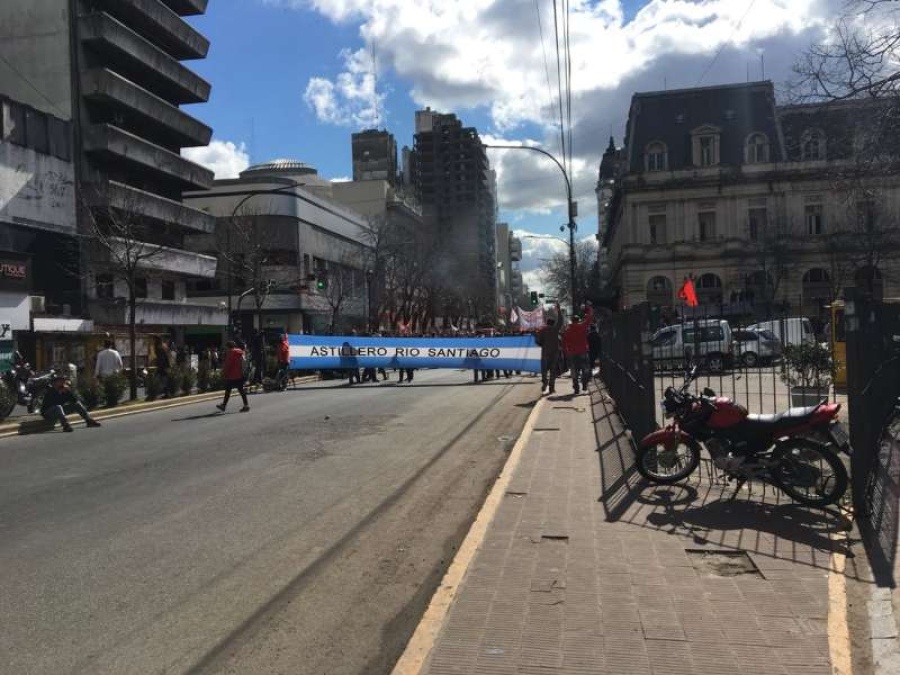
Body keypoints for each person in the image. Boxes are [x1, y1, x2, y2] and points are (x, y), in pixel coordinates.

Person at [562, 301, 594, 395]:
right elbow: (590, 317)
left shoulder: (567, 331)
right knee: (585, 369)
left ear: (572, 321)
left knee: (574, 370)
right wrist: (587, 308)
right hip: (583, 351)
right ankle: (584, 384)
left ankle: (576, 387)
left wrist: (566, 352)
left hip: (572, 353)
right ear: (579, 320)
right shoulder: (583, 327)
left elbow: (564, 343)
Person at [535, 305, 563, 394]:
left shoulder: (542, 331)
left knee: (544, 370)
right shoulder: (555, 329)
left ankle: (545, 382)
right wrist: (559, 311)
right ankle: (551, 387)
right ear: (553, 323)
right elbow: (561, 321)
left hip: (545, 353)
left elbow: (538, 341)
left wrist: (542, 344)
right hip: (555, 353)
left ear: (547, 323)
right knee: (553, 371)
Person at [216, 340, 250, 413]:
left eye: (226, 347)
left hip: (232, 375)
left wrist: (224, 373)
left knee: (228, 390)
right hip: (240, 374)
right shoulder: (240, 352)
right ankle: (246, 405)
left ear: (228, 346)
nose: (226, 349)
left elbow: (228, 364)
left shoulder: (231, 352)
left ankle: (224, 405)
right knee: (241, 390)